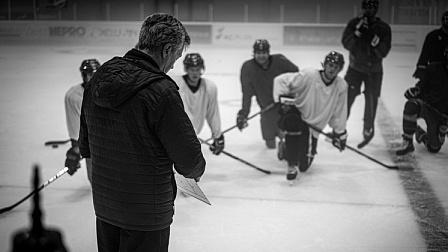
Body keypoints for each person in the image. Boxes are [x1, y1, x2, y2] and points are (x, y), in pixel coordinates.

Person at [77, 13, 206, 252]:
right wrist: (196, 170)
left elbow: (86, 146)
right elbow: (189, 159)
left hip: (106, 208)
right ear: (167, 49)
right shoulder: (161, 91)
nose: (174, 64)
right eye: (177, 56)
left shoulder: (97, 79)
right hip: (146, 214)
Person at [273, 51, 348, 183]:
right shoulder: (309, 75)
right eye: (330, 65)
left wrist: (340, 133)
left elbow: (339, 111)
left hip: (314, 127)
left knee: (304, 166)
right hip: (297, 116)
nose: (332, 69)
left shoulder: (341, 86)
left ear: (340, 69)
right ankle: (292, 164)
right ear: (324, 65)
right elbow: (280, 81)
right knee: (293, 123)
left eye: (336, 67)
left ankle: (285, 147)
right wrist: (281, 101)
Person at [341, 0, 392, 148]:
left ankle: (368, 128)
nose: (369, 10)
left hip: (374, 71)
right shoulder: (353, 23)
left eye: (372, 7)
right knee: (346, 98)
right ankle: (340, 127)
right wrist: (357, 33)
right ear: (362, 8)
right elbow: (346, 43)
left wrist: (372, 38)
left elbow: (383, 52)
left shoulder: (383, 28)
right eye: (366, 7)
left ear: (376, 9)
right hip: (355, 69)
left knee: (371, 101)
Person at [237, 39, 299, 149]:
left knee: (286, 134)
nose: (261, 56)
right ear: (254, 53)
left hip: (284, 106)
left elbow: (296, 75)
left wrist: (289, 96)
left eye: (264, 53)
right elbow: (247, 93)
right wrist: (243, 114)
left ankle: (286, 147)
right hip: (266, 109)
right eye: (258, 53)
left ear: (268, 53)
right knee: (270, 142)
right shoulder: (248, 68)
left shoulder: (280, 60)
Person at [396, 46, 448, 156]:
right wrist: (415, 90)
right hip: (428, 106)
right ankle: (408, 141)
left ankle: (421, 135)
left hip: (443, 116)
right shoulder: (434, 68)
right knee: (411, 105)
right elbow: (422, 85)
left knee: (434, 147)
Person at [171, 53, 224, 155]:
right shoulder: (175, 85)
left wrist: (218, 136)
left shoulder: (209, 87)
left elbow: (212, 113)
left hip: (191, 137)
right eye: (192, 69)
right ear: (186, 69)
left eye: (197, 69)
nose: (195, 73)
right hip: (173, 135)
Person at [64, 59, 101, 181]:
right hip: (94, 142)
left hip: (109, 140)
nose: (95, 78)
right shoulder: (75, 97)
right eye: (91, 74)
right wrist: (75, 148)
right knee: (96, 179)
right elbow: (75, 124)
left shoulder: (106, 90)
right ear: (84, 75)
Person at [412, 10, 448, 80]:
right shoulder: (433, 36)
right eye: (447, 19)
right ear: (443, 21)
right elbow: (425, 54)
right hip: (435, 71)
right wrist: (421, 68)